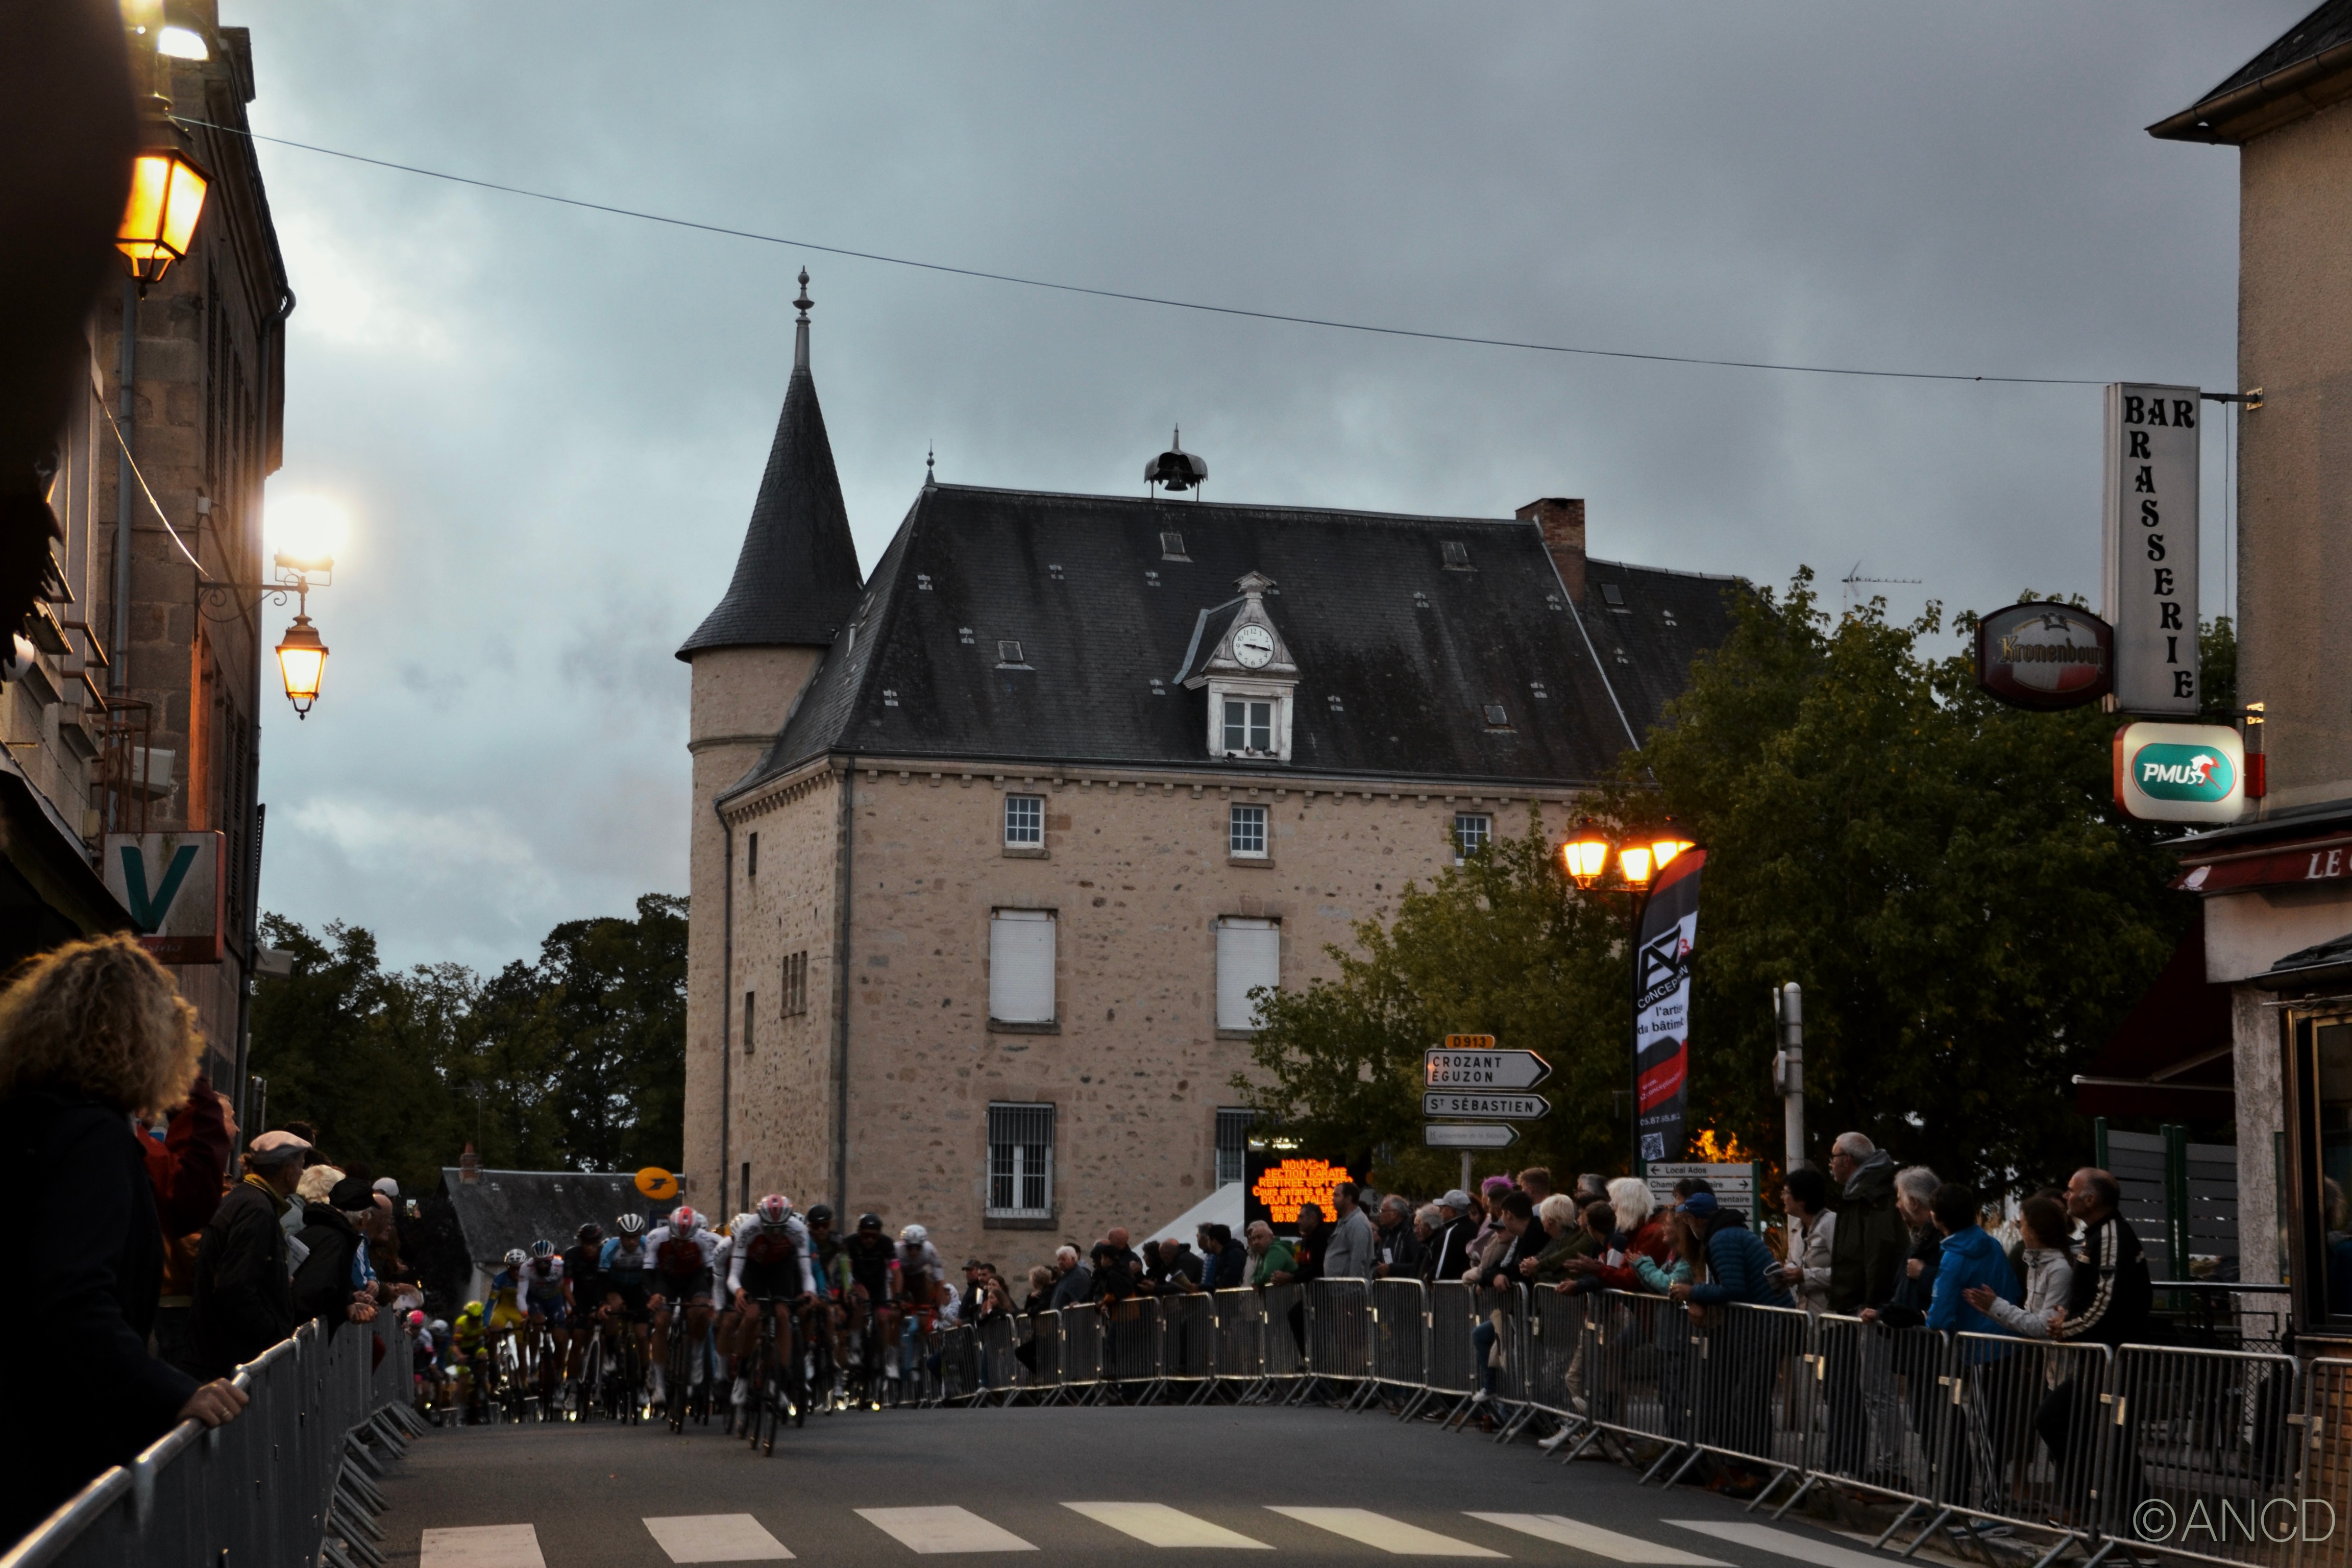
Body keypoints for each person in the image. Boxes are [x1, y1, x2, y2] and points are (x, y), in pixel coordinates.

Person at [0, 935, 250, 1538]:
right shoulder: (94, 1139)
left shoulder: (31, 1123)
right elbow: (74, 1297)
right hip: (50, 1448)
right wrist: (166, 1390)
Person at [192, 1129, 310, 1377]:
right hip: (234, 1355)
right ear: (288, 1170)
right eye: (301, 1165)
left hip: (221, 1348)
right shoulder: (257, 1210)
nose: (302, 1173)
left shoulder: (246, 1199)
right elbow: (234, 1287)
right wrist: (273, 1334)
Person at [1964, 1193, 2074, 1339]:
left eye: (2022, 1225)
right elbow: (2030, 1318)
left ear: (2033, 1231)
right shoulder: (2035, 1262)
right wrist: (1993, 1310)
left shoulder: (2059, 1269)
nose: (2020, 1230)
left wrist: (1996, 1306)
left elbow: (2044, 1327)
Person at [645, 1205, 723, 1404]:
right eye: (676, 1241)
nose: (680, 1245)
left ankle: (696, 1356)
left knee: (701, 1312)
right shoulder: (656, 1237)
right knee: (661, 1321)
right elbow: (648, 1273)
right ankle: (660, 1385)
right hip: (666, 1280)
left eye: (685, 1241)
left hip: (693, 1279)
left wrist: (712, 1300)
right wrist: (653, 1296)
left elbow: (711, 1273)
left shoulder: (703, 1239)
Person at [291, 1175, 384, 1337]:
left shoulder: (318, 1229)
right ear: (363, 1218)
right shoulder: (336, 1242)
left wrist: (348, 1300)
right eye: (369, 1216)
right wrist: (344, 1309)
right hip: (298, 1336)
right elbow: (314, 1293)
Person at [1772, 1167, 1837, 1313]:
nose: (1782, 1198)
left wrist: (1805, 1276)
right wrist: (1786, 1274)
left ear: (1802, 1199)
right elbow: (1792, 1261)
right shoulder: (1798, 1229)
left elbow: (1845, 1273)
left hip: (1832, 1318)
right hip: (1806, 1316)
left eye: (1786, 1193)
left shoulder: (1831, 1224)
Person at [1323, 1182, 1377, 1280]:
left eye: (1337, 1195)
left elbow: (1359, 1259)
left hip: (1349, 1288)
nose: (1333, 1199)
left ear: (1348, 1199)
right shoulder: (1346, 1221)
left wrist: (1355, 1286)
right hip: (1340, 1287)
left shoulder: (1358, 1222)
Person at [1426, 1190, 1479, 1283]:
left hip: (1454, 1289)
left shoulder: (1453, 1231)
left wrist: (1430, 1276)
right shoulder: (1477, 1227)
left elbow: (1442, 1268)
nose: (1440, 1210)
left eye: (1443, 1207)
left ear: (1452, 1211)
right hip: (1470, 1286)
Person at [1244, 1220, 1294, 1287]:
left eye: (1260, 1237)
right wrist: (1255, 1282)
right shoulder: (1261, 1254)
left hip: (1286, 1293)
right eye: (1253, 1239)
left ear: (1271, 1237)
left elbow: (1268, 1276)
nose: (1255, 1242)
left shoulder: (1275, 1250)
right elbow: (1252, 1278)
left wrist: (1256, 1282)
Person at [1047, 1244, 1093, 1311]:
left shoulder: (1078, 1276)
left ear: (1073, 1259)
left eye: (1063, 1260)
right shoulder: (1065, 1276)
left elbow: (1080, 1300)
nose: (1060, 1262)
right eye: (1059, 1260)